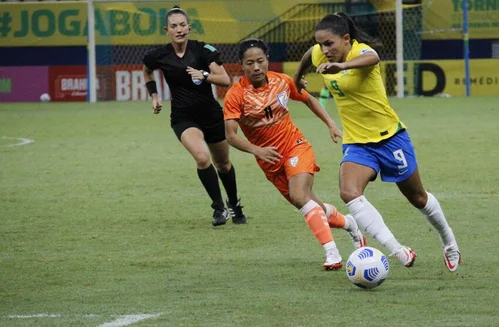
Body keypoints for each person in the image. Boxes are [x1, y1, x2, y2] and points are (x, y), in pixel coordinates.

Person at [293, 12, 461, 272]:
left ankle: (448, 241)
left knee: (417, 197)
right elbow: (307, 55)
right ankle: (397, 250)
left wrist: (343, 66)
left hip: (390, 139)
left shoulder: (362, 53)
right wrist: (297, 78)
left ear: (346, 39)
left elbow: (374, 57)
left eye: (330, 44)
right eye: (321, 44)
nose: (324, 50)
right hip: (357, 143)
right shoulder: (319, 53)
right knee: (349, 193)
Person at [223, 38, 366, 270]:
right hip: (269, 161)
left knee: (300, 197)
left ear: (267, 60)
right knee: (312, 206)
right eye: (250, 63)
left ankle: (332, 254)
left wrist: (330, 123)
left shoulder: (283, 81)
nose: (256, 67)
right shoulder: (235, 95)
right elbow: (230, 135)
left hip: (296, 147)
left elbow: (307, 99)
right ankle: (350, 223)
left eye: (260, 61)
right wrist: (257, 150)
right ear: (242, 65)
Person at [142, 6, 246, 227]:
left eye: (182, 25)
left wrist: (204, 75)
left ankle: (234, 204)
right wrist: (154, 95)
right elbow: (147, 70)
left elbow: (225, 79)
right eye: (174, 26)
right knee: (201, 157)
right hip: (183, 117)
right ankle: (219, 208)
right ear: (166, 30)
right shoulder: (159, 55)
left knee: (224, 164)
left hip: (211, 115)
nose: (179, 29)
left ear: (189, 27)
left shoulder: (203, 50)